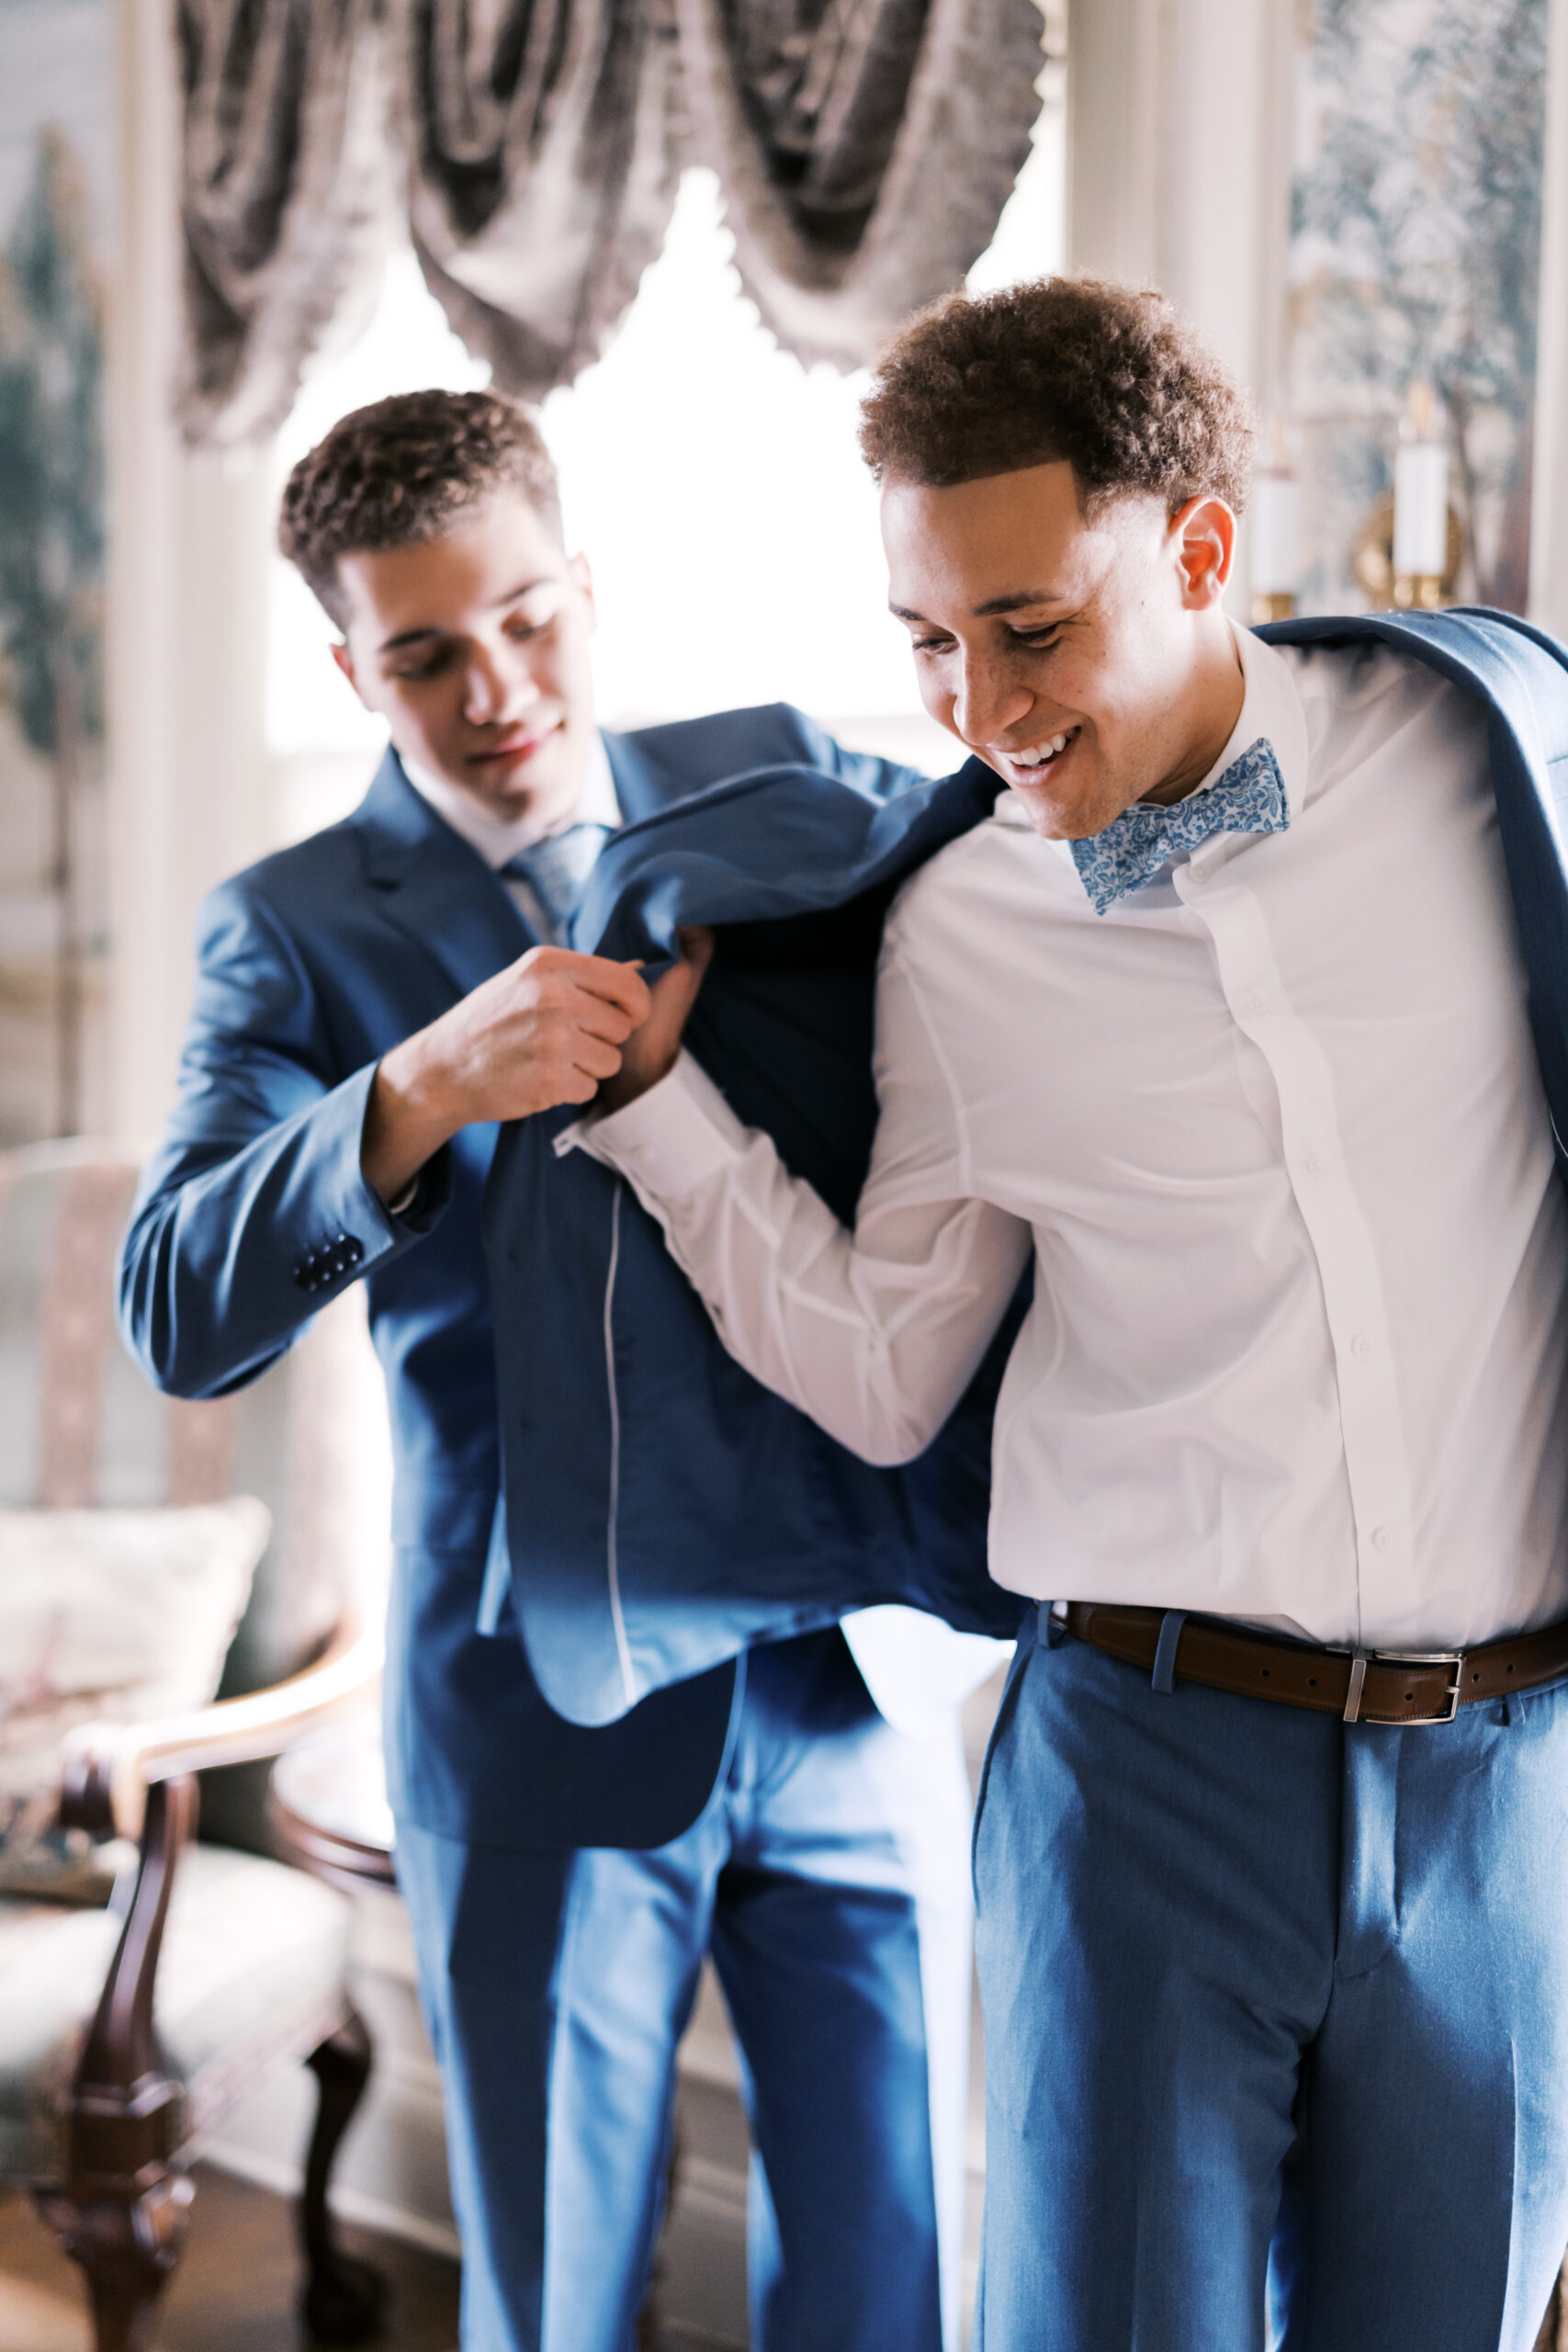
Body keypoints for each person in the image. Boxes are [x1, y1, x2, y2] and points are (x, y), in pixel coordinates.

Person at [574, 277, 1568, 2351]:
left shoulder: (1500, 766)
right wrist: (658, 1113)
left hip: (1510, 1795)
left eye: (1028, 628)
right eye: (927, 643)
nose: (978, 707)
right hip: (1141, 1790)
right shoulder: (957, 928)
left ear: (1199, 546)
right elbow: (882, 1362)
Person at [116, 388, 1002, 2352]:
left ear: (583, 582)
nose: (497, 687)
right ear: (350, 664)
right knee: (558, 2302)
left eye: (527, 619)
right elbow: (176, 1301)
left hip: (844, 1664)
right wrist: (421, 1083)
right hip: (538, 1706)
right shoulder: (285, 931)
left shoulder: (776, 771)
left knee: (889, 2272)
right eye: (424, 654)